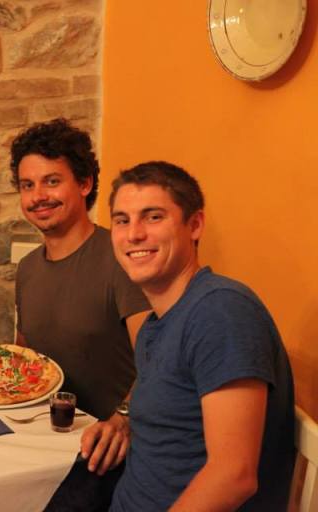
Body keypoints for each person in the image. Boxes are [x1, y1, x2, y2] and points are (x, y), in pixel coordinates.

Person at [108, 161, 295, 511]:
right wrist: (121, 422)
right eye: (122, 220)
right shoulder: (156, 324)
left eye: (153, 217)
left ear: (194, 225)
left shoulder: (220, 312)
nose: (133, 234)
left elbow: (234, 475)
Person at [11, 118, 151, 510]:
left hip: (109, 453)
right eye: (27, 185)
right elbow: (26, 359)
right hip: (48, 444)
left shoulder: (122, 259)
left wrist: (124, 419)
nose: (38, 196)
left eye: (52, 181)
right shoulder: (28, 269)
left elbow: (157, 360)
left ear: (85, 184)